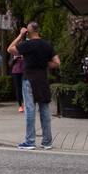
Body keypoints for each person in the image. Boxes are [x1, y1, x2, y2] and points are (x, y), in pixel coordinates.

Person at [7, 21, 61, 151]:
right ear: (38, 30)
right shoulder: (47, 45)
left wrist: (20, 36)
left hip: (29, 80)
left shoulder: (27, 44)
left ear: (28, 32)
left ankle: (30, 141)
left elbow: (10, 49)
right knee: (44, 110)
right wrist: (44, 64)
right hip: (42, 80)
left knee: (30, 110)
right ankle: (47, 142)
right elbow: (57, 62)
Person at [10, 43, 26, 113]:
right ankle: (20, 105)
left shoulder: (26, 50)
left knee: (25, 87)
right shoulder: (13, 52)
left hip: (25, 71)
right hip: (16, 72)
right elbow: (10, 63)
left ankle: (26, 104)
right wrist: (14, 59)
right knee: (18, 88)